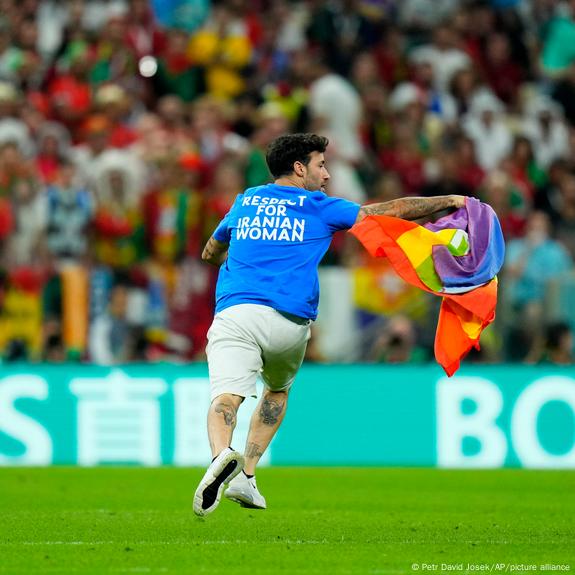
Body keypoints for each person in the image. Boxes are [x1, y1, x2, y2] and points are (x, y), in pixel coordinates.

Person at [193, 133, 465, 516]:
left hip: (237, 313)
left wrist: (227, 256)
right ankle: (248, 477)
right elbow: (390, 210)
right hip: (291, 324)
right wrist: (449, 201)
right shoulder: (318, 207)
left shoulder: (245, 201)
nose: (327, 175)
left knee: (226, 397)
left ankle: (222, 455)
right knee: (276, 392)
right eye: (321, 165)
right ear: (300, 168)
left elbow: (210, 250)